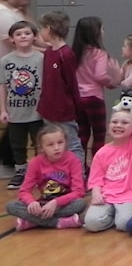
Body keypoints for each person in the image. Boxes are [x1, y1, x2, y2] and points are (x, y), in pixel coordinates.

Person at [83, 101, 132, 232]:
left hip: (131, 195)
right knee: (92, 223)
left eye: (124, 123)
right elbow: (96, 179)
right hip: (107, 196)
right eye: (114, 122)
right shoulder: (102, 152)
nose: (118, 125)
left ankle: (121, 215)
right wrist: (96, 192)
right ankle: (112, 214)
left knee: (124, 224)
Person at [5, 124, 85, 231]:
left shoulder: (73, 160)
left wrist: (56, 202)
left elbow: (78, 191)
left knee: (80, 204)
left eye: (60, 142)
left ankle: (32, 221)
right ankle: (59, 222)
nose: (56, 148)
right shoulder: (35, 163)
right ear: (42, 148)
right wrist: (32, 202)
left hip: (64, 203)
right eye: (50, 145)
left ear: (66, 143)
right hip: (43, 203)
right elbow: (24, 191)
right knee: (11, 206)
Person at [37, 11, 85, 163]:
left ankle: (78, 177)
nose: (40, 32)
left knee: (72, 144)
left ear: (49, 29)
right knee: (53, 145)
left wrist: (76, 109)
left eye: (41, 28)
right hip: (48, 109)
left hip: (64, 111)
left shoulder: (66, 54)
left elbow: (72, 84)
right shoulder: (49, 53)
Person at [1, 20, 44, 189]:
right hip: (15, 111)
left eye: (27, 33)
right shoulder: (6, 60)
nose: (23, 36)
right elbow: (2, 85)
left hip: (37, 111)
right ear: (12, 39)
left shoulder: (41, 58)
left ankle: (41, 171)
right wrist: (3, 109)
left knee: (39, 142)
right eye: (18, 34)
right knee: (17, 145)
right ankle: (20, 171)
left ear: (34, 36)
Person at [0, 0, 35, 179]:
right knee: (15, 117)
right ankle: (11, 159)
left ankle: (9, 158)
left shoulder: (16, 12)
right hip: (10, 73)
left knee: (15, 118)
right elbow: (28, 38)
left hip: (18, 72)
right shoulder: (5, 15)